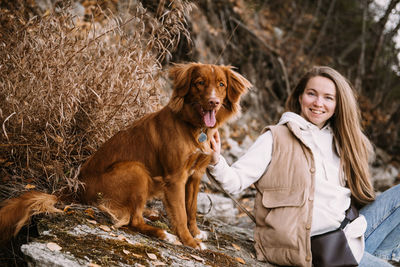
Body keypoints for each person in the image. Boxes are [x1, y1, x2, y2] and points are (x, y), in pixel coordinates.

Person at [207, 66, 400, 267]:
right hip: (316, 249)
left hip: (350, 234)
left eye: (328, 97)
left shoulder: (341, 141)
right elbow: (235, 181)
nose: (318, 103)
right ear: (300, 97)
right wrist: (215, 160)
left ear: (337, 105)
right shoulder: (276, 137)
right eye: (311, 94)